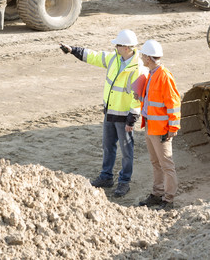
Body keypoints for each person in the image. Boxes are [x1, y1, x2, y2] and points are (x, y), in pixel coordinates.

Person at [59, 29, 147, 198]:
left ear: (127, 47)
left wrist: (132, 118)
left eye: (118, 45)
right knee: (108, 146)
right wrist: (73, 50)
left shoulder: (138, 68)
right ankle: (106, 177)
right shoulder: (114, 58)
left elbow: (138, 97)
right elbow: (95, 56)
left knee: (126, 151)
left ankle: (124, 182)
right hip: (110, 112)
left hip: (124, 117)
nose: (115, 47)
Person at [130, 39, 180, 210]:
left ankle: (168, 200)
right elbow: (154, 102)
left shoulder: (164, 76)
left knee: (166, 165)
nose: (142, 58)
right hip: (151, 127)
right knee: (156, 163)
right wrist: (141, 97)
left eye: (144, 56)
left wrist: (172, 128)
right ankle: (157, 193)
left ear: (149, 59)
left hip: (161, 130)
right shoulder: (151, 74)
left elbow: (173, 103)